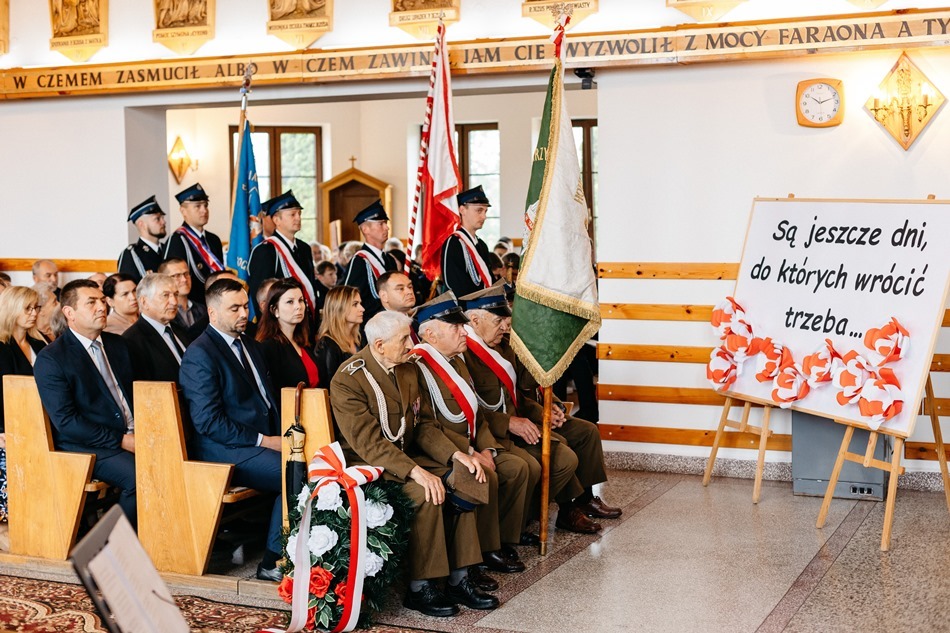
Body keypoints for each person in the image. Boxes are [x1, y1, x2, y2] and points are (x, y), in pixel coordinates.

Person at [330, 311, 497, 617]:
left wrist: (455, 455)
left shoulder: (407, 368)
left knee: (468, 477)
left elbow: (424, 426)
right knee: (426, 494)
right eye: (404, 339)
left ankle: (459, 578)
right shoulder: (348, 379)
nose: (412, 344)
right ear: (379, 345)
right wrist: (417, 473)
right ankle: (420, 588)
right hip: (372, 466)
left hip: (407, 455)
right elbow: (369, 444)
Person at [413, 292, 528, 577]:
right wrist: (468, 451)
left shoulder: (456, 361)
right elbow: (426, 427)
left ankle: (493, 544)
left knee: (516, 467)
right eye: (455, 327)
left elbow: (477, 414)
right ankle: (476, 558)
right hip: (444, 451)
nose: (464, 331)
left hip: (473, 443)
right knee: (480, 476)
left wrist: (487, 449)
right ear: (431, 335)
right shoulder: (419, 368)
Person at [179, 278, 284, 582]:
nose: (244, 313)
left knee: (321, 462)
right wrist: (266, 440)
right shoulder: (201, 353)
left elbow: (266, 400)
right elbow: (208, 421)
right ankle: (273, 561)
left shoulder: (250, 344)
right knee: (295, 472)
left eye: (245, 306)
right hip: (224, 448)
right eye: (234, 308)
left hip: (256, 442)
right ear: (212, 313)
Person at [33, 280, 137, 526]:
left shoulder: (118, 344)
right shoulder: (53, 358)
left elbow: (134, 394)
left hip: (132, 431)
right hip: (87, 443)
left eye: (102, 301)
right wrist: (122, 439)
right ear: (69, 313)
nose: (101, 307)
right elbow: (67, 422)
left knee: (179, 462)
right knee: (140, 477)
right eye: (91, 303)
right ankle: (116, 543)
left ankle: (166, 538)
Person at [0, 287, 48, 522]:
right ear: (11, 309)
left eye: (36, 308)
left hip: (40, 421)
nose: (34, 313)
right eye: (27, 308)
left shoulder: (40, 343)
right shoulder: (2, 346)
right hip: (8, 423)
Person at [248, 190, 318, 321]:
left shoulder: (304, 248)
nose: (298, 218)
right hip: (279, 323)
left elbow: (311, 287)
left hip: (305, 320)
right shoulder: (265, 250)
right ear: (276, 220)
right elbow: (261, 295)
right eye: (292, 214)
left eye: (299, 214)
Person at [122, 273, 191, 383]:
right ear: (144, 302)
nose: (174, 302)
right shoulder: (131, 340)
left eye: (175, 294)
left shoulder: (180, 330)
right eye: (165, 295)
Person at [162, 183, 224, 306]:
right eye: (198, 206)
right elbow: (171, 279)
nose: (204, 210)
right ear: (183, 211)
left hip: (216, 302)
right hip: (192, 306)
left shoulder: (214, 239)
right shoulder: (177, 240)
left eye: (205, 205)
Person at [256, 279, 319, 390]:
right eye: (290, 302)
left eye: (301, 300)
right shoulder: (269, 347)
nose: (298, 306)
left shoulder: (303, 341)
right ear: (274, 310)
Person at [343, 200, 398, 323]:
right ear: (365, 229)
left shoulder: (389, 259)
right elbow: (349, 298)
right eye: (381, 224)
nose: (387, 227)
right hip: (370, 324)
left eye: (386, 223)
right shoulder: (360, 261)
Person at [440, 186, 494, 297]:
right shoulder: (454, 243)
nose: (484, 216)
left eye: (485, 211)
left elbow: (489, 280)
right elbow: (454, 285)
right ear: (462, 210)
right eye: (479, 211)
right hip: (464, 306)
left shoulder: (482, 245)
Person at [313, 285, 363, 387]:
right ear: (339, 308)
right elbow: (330, 386)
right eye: (355, 304)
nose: (362, 309)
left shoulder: (359, 339)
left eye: (360, 303)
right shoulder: (327, 345)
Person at [117, 195, 167, 283]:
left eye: (162, 218)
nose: (163, 222)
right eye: (157, 219)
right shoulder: (132, 254)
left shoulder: (167, 248)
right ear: (141, 224)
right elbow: (128, 287)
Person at [160, 258, 208, 339]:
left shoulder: (202, 309)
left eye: (186, 273)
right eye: (177, 275)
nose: (184, 279)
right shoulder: (163, 314)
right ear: (164, 280)